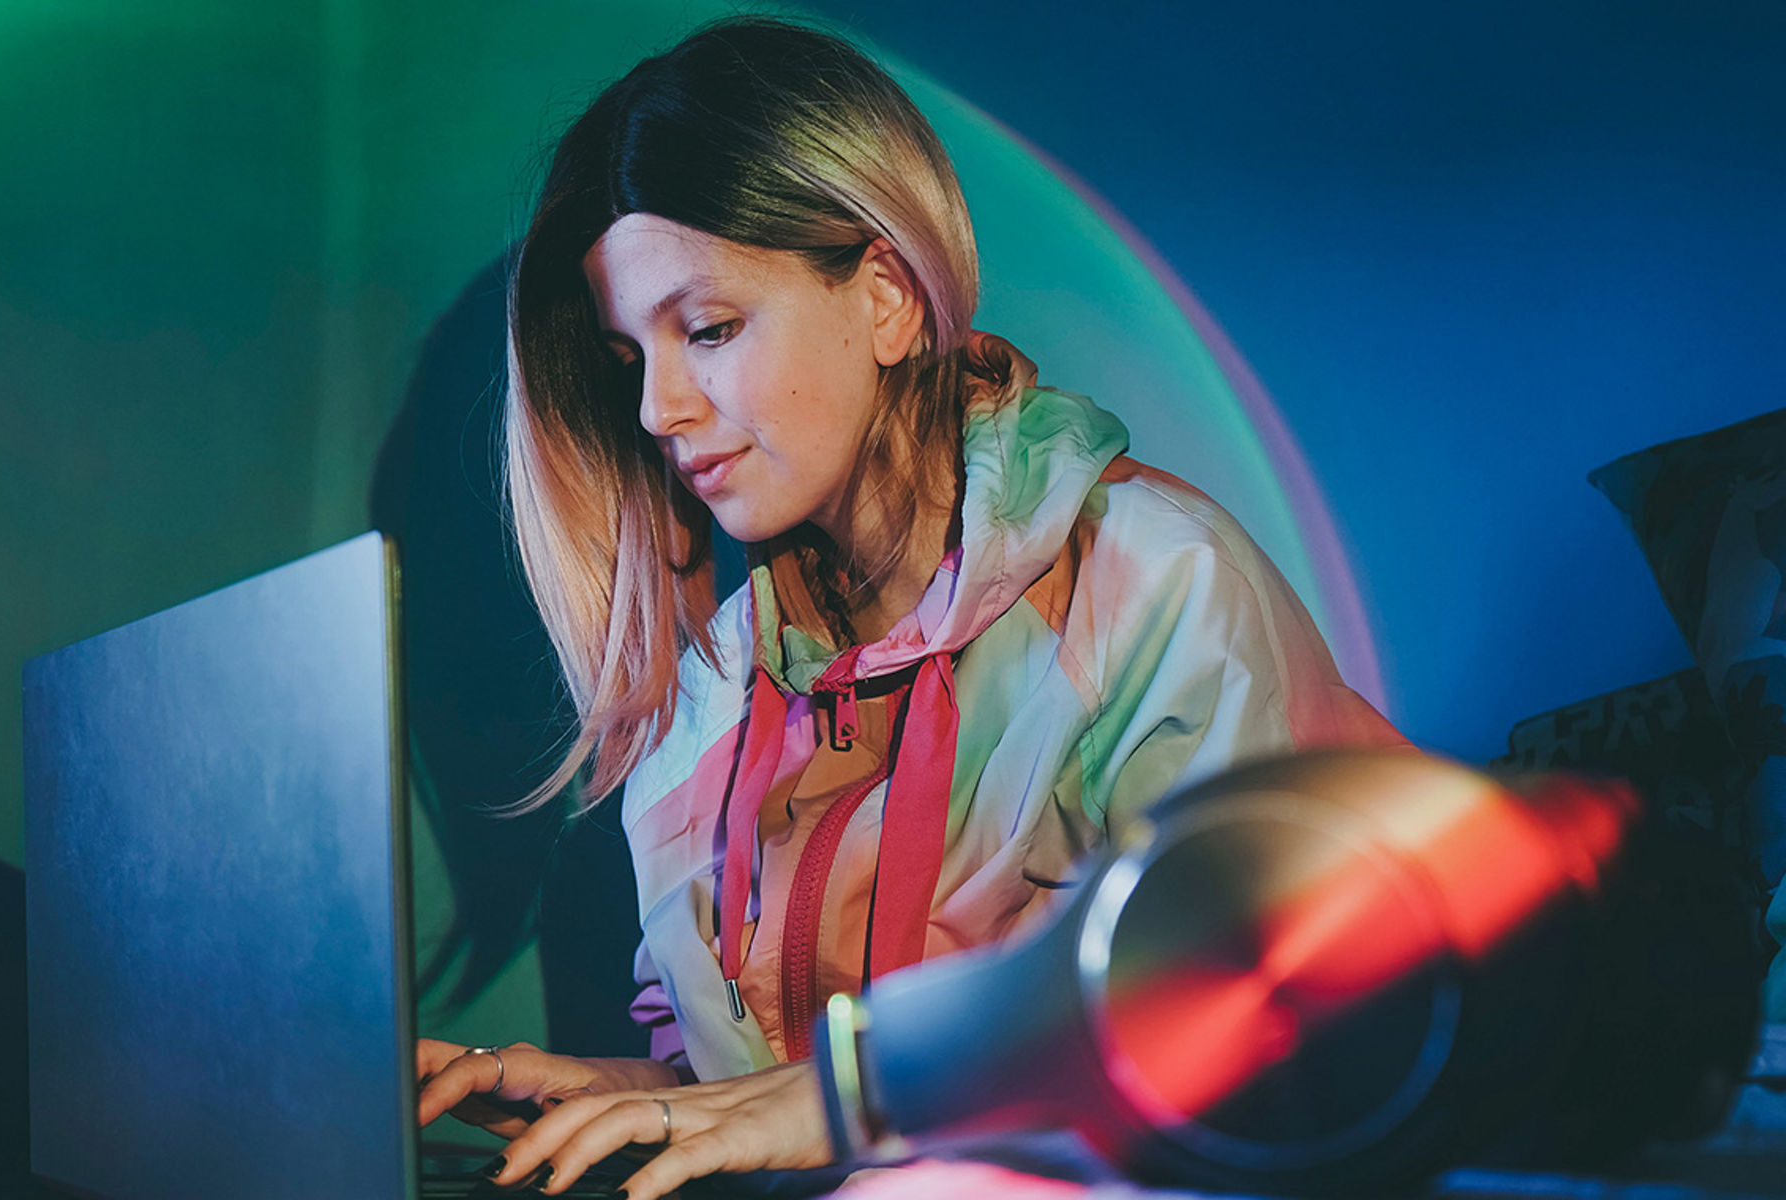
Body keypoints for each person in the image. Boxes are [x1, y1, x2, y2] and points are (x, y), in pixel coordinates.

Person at [415, 16, 1404, 1199]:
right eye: (632, 360)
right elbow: (774, 1091)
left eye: (710, 329)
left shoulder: (1155, 584)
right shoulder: (715, 694)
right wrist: (638, 1099)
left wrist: (859, 1090)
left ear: (886, 296)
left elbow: (1262, 1033)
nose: (657, 412)